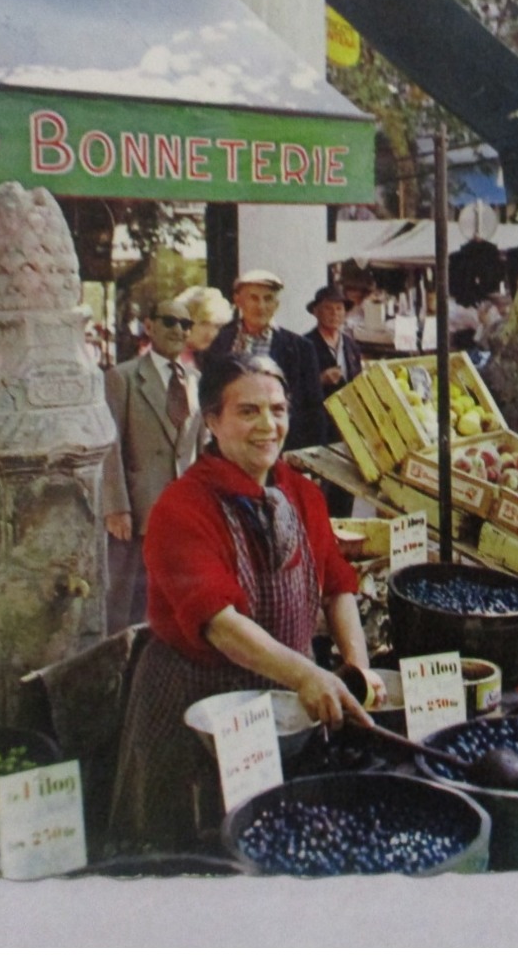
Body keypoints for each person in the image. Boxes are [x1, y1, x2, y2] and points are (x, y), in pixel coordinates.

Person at [108, 354, 384, 848]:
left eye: (277, 410)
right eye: (248, 411)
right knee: (192, 852)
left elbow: (338, 585)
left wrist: (356, 670)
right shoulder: (181, 508)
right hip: (196, 713)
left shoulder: (303, 495)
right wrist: (307, 674)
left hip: (285, 717)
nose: (268, 426)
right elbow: (220, 624)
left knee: (279, 845)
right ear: (211, 420)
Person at [100, 300, 206, 633]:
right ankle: (121, 672)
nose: (179, 330)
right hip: (138, 512)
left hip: (184, 510)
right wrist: (116, 507)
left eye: (186, 325)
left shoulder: (196, 380)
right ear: (149, 326)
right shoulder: (123, 377)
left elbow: (200, 449)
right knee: (128, 604)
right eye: (170, 321)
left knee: (176, 599)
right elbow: (110, 446)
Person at [207, 269, 325, 451]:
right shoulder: (219, 341)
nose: (261, 306)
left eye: (268, 298)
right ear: (238, 301)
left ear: (277, 304)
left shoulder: (301, 348)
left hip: (278, 451)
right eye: (253, 298)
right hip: (229, 450)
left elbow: (314, 412)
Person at [304, 285, 365, 515]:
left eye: (339, 309)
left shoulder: (350, 345)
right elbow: (296, 388)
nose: (335, 314)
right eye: (328, 309)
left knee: (346, 486)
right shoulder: (305, 345)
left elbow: (358, 379)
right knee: (321, 489)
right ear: (316, 312)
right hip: (319, 427)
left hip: (347, 427)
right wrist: (320, 379)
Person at [172, 285, 234, 372]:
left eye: (216, 326)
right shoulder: (164, 355)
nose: (211, 333)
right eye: (204, 324)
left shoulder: (204, 359)